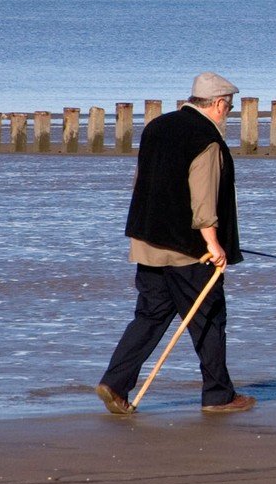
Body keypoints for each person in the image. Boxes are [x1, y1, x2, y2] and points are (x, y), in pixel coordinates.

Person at [96, 71, 255, 415]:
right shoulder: (206, 139)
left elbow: (141, 182)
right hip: (188, 250)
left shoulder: (156, 127)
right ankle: (218, 396)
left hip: (147, 241)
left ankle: (115, 382)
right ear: (217, 104)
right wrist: (213, 242)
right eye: (228, 108)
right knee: (209, 317)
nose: (227, 114)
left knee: (150, 316)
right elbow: (203, 197)